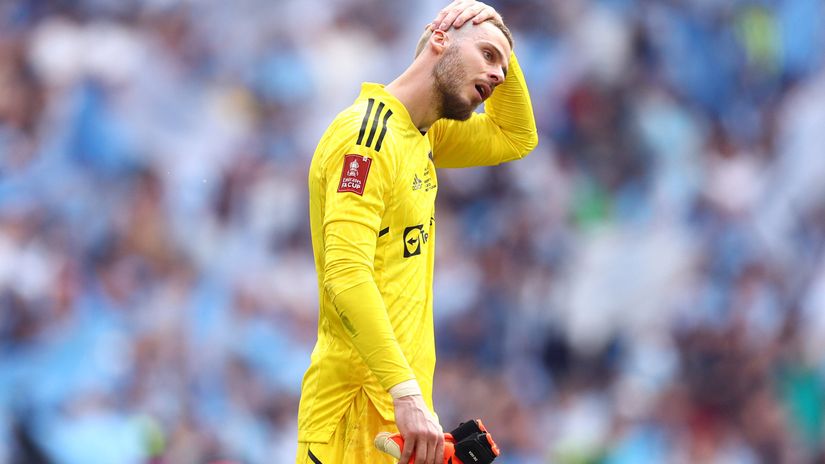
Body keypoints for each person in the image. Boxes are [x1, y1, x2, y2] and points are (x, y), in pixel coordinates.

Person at [296, 1, 537, 463]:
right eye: (487, 56)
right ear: (440, 39)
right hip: (356, 413)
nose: (499, 76)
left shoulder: (423, 134)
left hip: (398, 414)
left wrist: (500, 35)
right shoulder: (365, 139)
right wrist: (404, 392)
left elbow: (517, 136)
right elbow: (345, 273)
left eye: (503, 68)